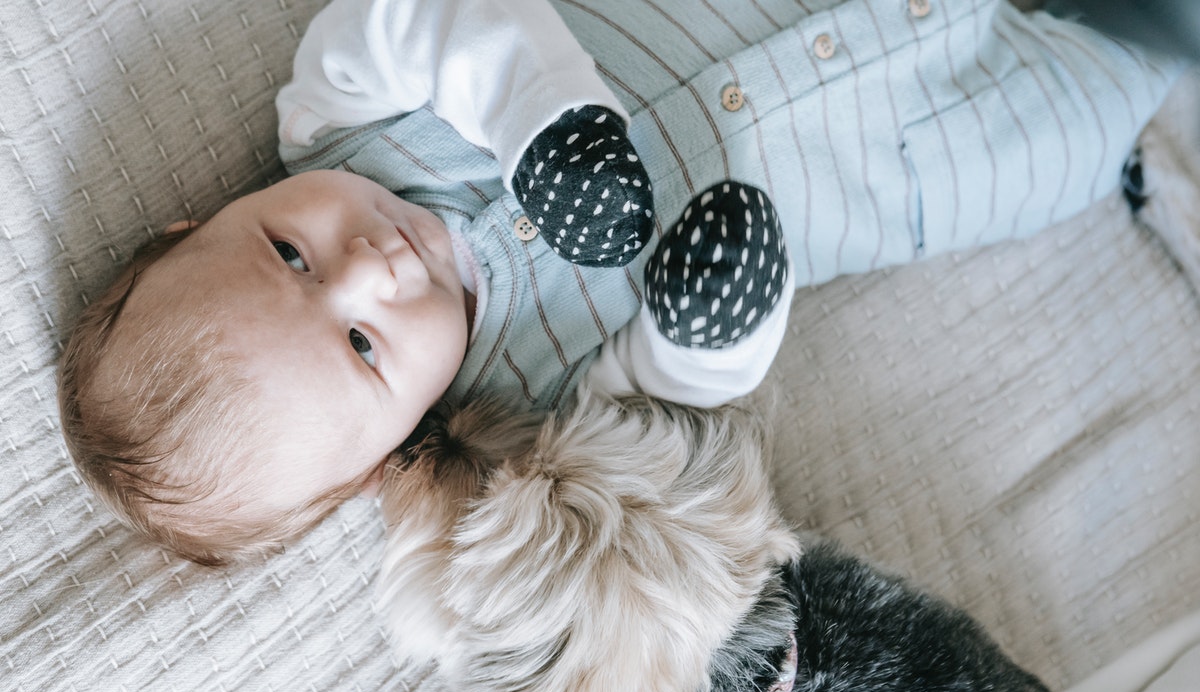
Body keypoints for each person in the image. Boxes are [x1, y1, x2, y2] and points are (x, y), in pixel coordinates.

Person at [57, 0, 1179, 567]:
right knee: (1089, 116)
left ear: (199, 220)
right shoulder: (520, 417)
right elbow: (659, 412)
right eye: (362, 347)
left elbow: (433, 16)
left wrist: (550, 126)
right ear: (380, 456)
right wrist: (708, 329)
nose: (368, 268)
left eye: (288, 254)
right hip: (904, 154)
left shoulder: (338, 112)